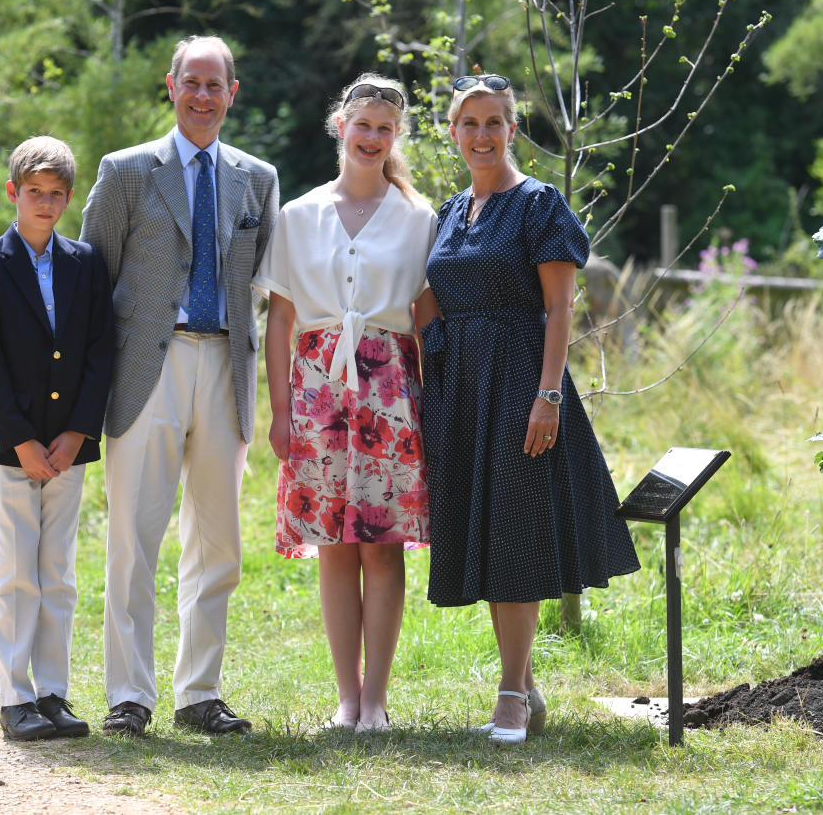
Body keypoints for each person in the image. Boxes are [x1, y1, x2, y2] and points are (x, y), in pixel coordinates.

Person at [419, 75, 640, 745]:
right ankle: (526, 681)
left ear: (513, 129)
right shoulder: (449, 211)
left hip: (520, 382)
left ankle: (511, 696)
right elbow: (425, 296)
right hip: (460, 386)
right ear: (453, 132)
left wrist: (546, 395)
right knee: (487, 529)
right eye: (469, 123)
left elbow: (560, 307)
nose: (481, 135)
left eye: (494, 122)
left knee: (514, 530)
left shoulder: (539, 203)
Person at [80, 35, 279, 737]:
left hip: (226, 369)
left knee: (218, 542)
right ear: (171, 87)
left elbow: (268, 287)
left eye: (213, 84)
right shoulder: (127, 171)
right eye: (190, 82)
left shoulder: (258, 178)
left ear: (233, 92)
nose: (201, 95)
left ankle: (200, 694)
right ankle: (129, 696)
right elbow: (90, 282)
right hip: (147, 370)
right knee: (134, 539)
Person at [255, 75, 436, 732]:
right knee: (333, 544)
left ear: (396, 137)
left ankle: (378, 701)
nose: (372, 138)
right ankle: (347, 699)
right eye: (363, 125)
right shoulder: (298, 216)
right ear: (341, 126)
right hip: (317, 393)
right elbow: (280, 321)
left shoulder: (419, 218)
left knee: (382, 546)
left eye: (385, 129)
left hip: (390, 395)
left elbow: (425, 319)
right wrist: (279, 411)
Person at [0, 135, 115, 742]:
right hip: (15, 445)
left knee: (58, 570)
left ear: (70, 198)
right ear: (13, 193)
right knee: (18, 568)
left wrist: (79, 430)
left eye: (56, 195)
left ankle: (54, 693)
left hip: (69, 444)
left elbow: (101, 351)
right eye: (34, 194)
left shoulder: (85, 263)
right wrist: (21, 438)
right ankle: (15, 697)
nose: (45, 204)